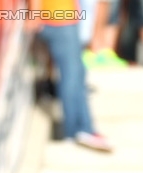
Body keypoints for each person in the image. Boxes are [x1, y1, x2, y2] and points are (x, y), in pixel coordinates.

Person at [30, 0, 112, 151]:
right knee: (72, 75)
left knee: (77, 73)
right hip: (58, 19)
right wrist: (35, 13)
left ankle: (82, 127)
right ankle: (78, 129)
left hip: (63, 17)